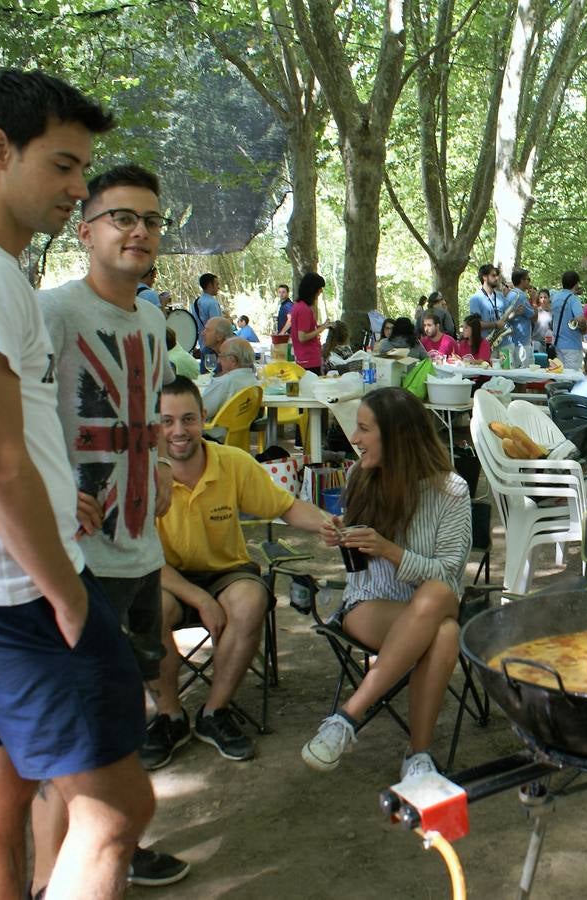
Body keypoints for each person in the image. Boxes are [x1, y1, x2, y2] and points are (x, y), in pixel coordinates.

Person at [0, 68, 153, 900]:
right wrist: (69, 596)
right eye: (63, 165)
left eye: (84, 168)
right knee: (116, 812)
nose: (78, 187)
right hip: (18, 592)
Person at [34, 163, 189, 891]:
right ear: (85, 228)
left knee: (125, 711)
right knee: (75, 732)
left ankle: (116, 845)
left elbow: (150, 413)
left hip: (139, 549)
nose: (139, 231)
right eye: (122, 217)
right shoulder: (53, 313)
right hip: (77, 558)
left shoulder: (154, 317)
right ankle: (50, 875)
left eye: (151, 221)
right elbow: (13, 422)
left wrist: (156, 465)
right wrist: (56, 493)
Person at [149, 377, 336, 767]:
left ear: (204, 418)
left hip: (225, 571)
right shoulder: (145, 474)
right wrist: (199, 599)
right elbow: (140, 559)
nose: (179, 431)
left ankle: (214, 712)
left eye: (188, 419)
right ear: (154, 425)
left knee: (251, 600)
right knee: (147, 610)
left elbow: (285, 507)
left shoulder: (230, 463)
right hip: (164, 575)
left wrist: (326, 523)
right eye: (167, 421)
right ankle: (170, 716)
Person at [301, 388, 471, 778]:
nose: (354, 439)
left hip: (433, 600)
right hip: (370, 604)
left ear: (396, 437)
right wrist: (342, 535)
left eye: (363, 429)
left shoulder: (452, 492)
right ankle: (416, 755)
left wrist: (391, 551)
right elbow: (359, 570)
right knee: (444, 632)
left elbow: (447, 575)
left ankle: (348, 719)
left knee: (438, 608)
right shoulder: (361, 475)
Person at [201, 338, 258, 420]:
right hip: (242, 431)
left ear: (233, 360)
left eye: (221, 356)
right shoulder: (253, 381)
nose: (218, 361)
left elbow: (200, 411)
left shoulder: (224, 382)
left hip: (216, 431)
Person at [291, 271, 334, 375]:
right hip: (308, 360)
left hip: (306, 358)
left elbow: (308, 329)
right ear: (312, 290)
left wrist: (323, 326)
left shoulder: (299, 306)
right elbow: (302, 337)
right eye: (319, 289)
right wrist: (322, 328)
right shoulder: (303, 310)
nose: (321, 292)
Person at [550, 271, 587, 370]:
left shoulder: (555, 298)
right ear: (576, 284)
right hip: (572, 345)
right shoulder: (573, 299)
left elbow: (552, 319)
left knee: (560, 378)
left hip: (557, 344)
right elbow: (580, 319)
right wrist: (584, 329)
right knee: (572, 379)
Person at [192, 273, 222, 371]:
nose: (219, 287)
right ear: (210, 285)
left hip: (202, 344)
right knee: (215, 374)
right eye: (217, 284)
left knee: (205, 376)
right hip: (214, 346)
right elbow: (217, 326)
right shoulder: (212, 303)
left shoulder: (195, 303)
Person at [505, 268, 535, 367]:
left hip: (509, 341)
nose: (529, 281)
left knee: (511, 373)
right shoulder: (521, 296)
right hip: (521, 343)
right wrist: (534, 301)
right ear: (522, 281)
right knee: (522, 376)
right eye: (528, 279)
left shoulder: (510, 294)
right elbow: (534, 317)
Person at [469, 264, 508, 335]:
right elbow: (475, 324)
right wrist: (495, 324)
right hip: (488, 343)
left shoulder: (500, 295)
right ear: (484, 277)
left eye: (497, 275)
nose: (497, 278)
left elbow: (505, 316)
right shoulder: (475, 298)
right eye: (493, 275)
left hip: (506, 342)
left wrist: (515, 313)